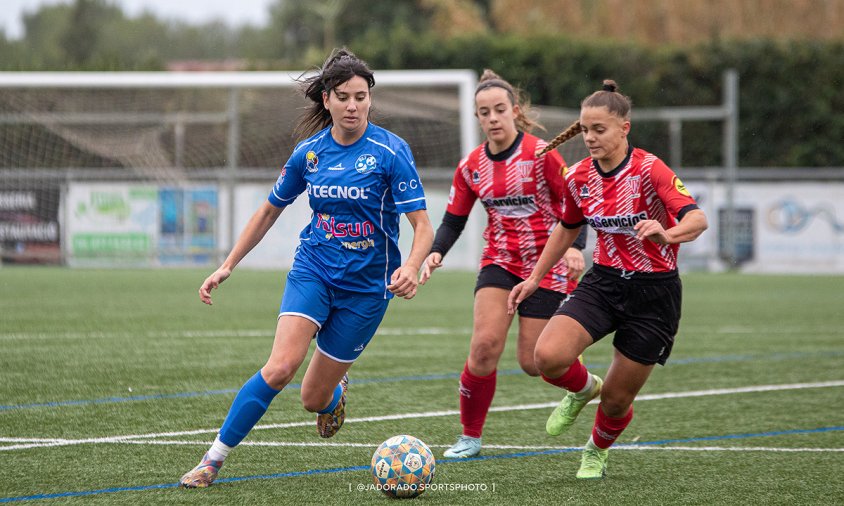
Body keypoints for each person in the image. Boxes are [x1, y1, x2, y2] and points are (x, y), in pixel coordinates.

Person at [179, 48, 434, 488]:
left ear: (369, 98)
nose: (353, 105)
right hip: (313, 270)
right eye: (343, 97)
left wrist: (411, 266)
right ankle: (212, 460)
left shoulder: (391, 152)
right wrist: (227, 265)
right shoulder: (309, 154)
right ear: (326, 100)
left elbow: (422, 226)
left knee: (312, 397)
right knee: (279, 367)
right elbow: (268, 211)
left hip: (367, 290)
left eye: (361, 96)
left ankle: (335, 394)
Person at [507, 79, 708, 479]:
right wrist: (533, 278)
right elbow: (566, 228)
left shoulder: (651, 170)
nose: (591, 137)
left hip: (654, 294)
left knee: (616, 401)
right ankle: (582, 389)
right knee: (546, 357)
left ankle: (595, 451)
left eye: (599, 129)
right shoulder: (579, 175)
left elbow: (697, 219)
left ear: (624, 128)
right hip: (604, 283)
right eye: (585, 129)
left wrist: (666, 233)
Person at [419, 69, 587, 459]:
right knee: (483, 347)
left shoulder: (541, 154)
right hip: (499, 262)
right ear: (477, 118)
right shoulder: (471, 166)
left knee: (534, 363)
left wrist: (576, 246)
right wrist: (435, 252)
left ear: (514, 111)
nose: (492, 118)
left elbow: (574, 205)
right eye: (484, 112)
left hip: (546, 265)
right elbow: (454, 220)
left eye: (499, 110)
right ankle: (470, 437)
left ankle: (584, 384)